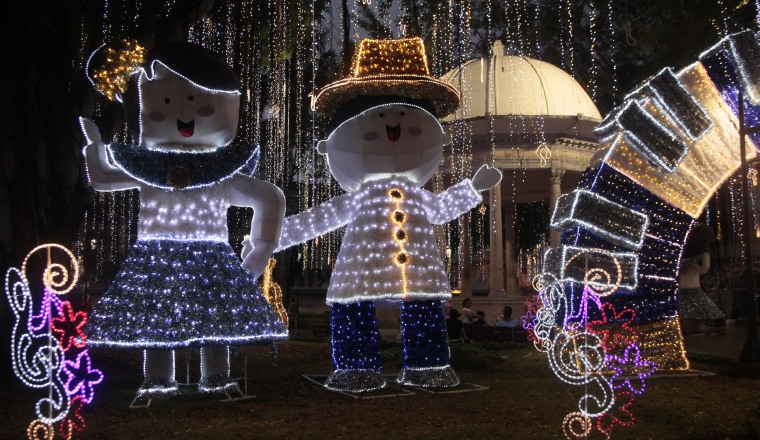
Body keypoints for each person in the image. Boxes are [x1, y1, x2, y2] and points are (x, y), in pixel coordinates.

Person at [264, 37, 502, 391]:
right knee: (354, 311)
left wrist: (472, 187)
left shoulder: (418, 196)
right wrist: (273, 234)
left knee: (422, 312)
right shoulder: (361, 197)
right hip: (362, 268)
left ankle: (427, 366)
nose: (393, 129)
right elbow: (323, 215)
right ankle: (356, 369)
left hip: (417, 269)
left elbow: (440, 209)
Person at [82, 42, 287, 398]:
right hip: (158, 253)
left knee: (216, 319)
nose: (184, 116)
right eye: (165, 103)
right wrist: (95, 147)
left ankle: (216, 377)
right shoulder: (146, 165)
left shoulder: (219, 169)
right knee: (158, 320)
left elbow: (267, 197)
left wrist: (259, 249)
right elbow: (102, 178)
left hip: (207, 253)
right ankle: (159, 380)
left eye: (200, 102)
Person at [678, 224, 724, 334]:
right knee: (697, 308)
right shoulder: (703, 251)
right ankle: (699, 327)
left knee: (685, 309)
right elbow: (704, 268)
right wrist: (694, 266)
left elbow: (703, 268)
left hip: (685, 284)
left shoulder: (683, 247)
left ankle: (688, 327)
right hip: (692, 284)